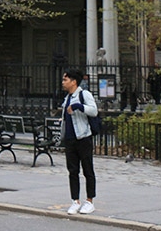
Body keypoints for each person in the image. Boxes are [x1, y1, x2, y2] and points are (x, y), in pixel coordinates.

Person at [60, 69, 98, 215]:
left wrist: (78, 106)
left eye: (65, 80)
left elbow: (94, 111)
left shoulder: (84, 94)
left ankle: (89, 201)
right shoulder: (67, 97)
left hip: (83, 137)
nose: (63, 83)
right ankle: (75, 200)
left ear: (74, 81)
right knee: (72, 171)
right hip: (70, 139)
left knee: (88, 169)